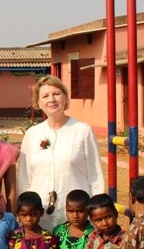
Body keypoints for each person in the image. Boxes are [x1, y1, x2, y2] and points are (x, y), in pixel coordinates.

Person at [17, 76, 104, 232]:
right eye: (45, 96)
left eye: (56, 94)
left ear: (65, 97)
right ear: (38, 102)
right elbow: (24, 179)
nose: (52, 99)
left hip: (76, 214)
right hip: (40, 214)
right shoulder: (32, 134)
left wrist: (96, 210)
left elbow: (95, 175)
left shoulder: (82, 130)